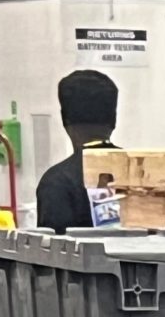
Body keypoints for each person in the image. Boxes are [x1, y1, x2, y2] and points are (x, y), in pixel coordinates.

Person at [34, 69, 119, 234]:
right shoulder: (143, 174)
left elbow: (52, 247)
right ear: (114, 119)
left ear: (64, 119)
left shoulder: (57, 182)